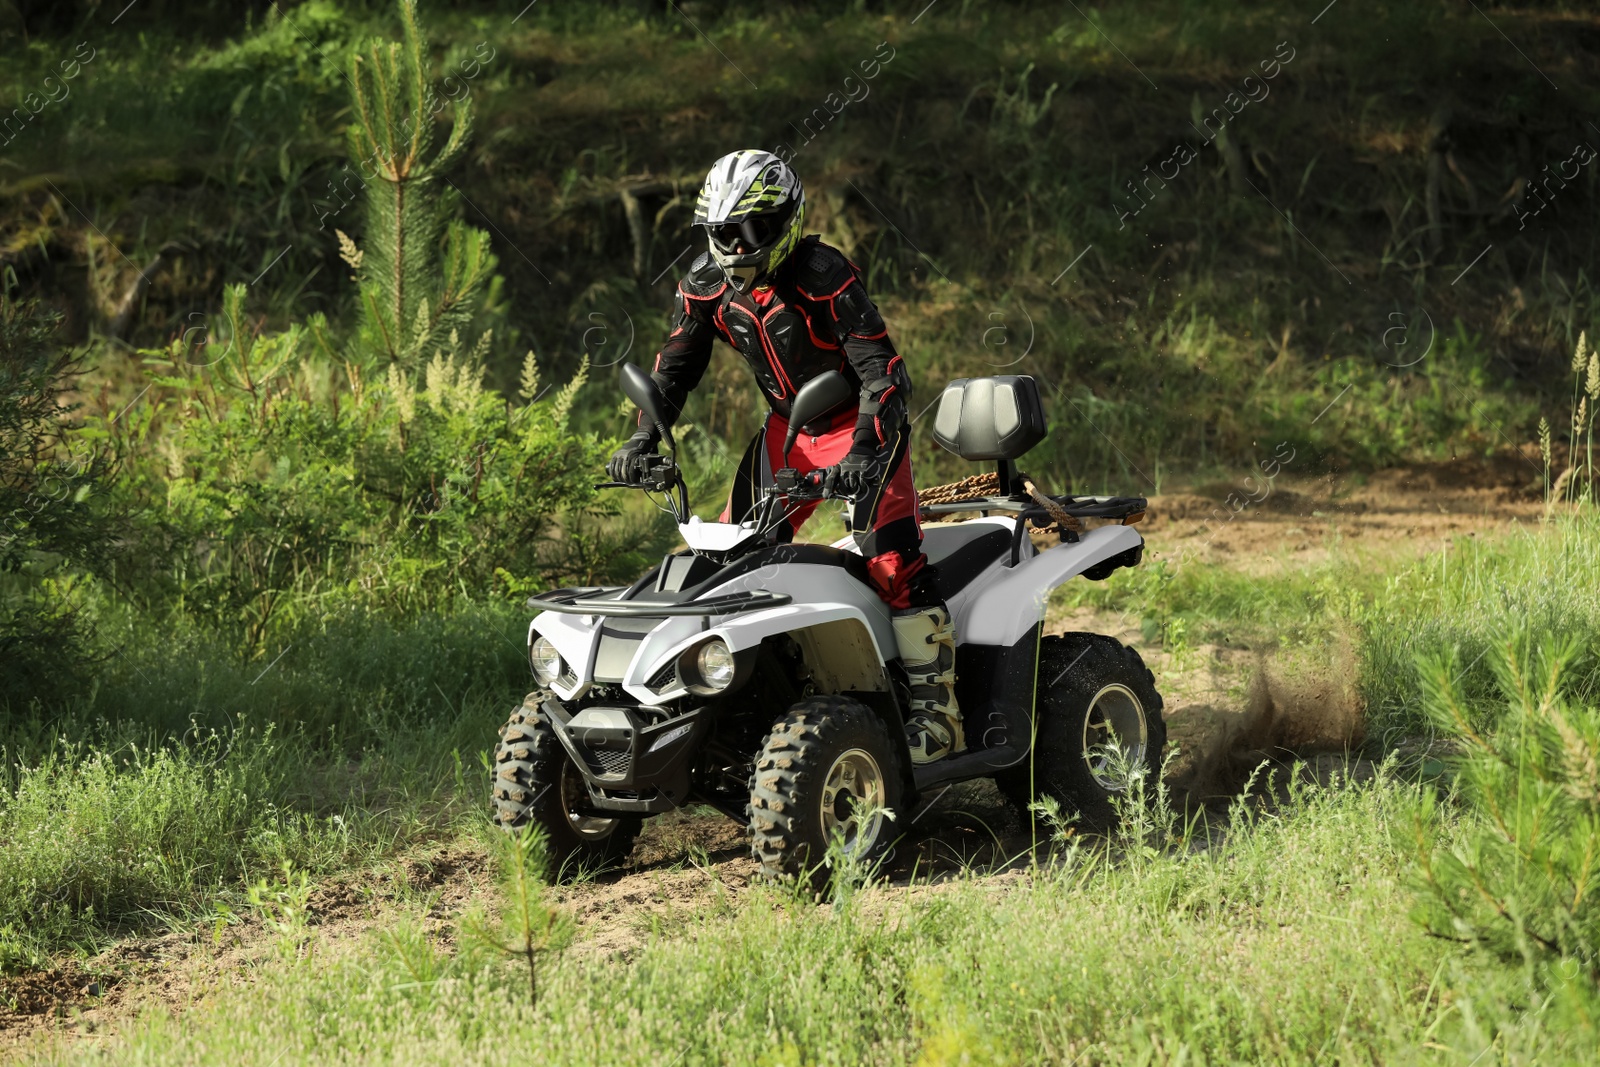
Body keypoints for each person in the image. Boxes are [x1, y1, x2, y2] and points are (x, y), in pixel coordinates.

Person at [607, 150, 963, 764]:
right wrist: (642, 438)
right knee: (729, 560)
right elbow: (673, 371)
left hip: (862, 424)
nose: (738, 247)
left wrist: (863, 451)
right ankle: (747, 705)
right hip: (787, 430)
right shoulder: (703, 285)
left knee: (891, 563)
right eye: (724, 234)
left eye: (752, 231)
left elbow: (885, 374)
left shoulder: (827, 274)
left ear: (786, 221)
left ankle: (939, 712)